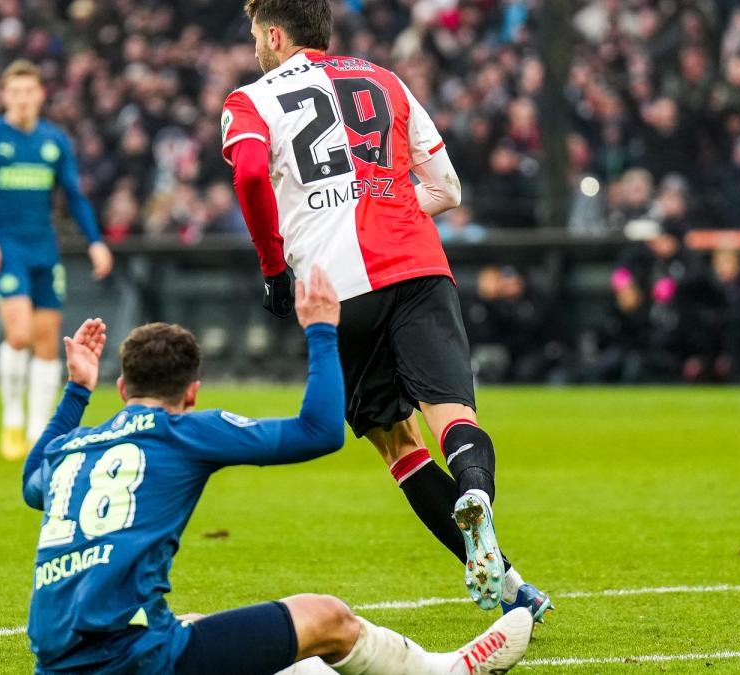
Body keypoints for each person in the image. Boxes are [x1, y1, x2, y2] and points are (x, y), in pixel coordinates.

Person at [22, 266, 534, 674]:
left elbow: (31, 482)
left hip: (58, 661)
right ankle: (441, 671)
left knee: (202, 627)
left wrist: (75, 392)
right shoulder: (184, 430)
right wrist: (321, 334)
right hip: (133, 658)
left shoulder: (73, 447)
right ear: (192, 392)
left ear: (120, 388)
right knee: (326, 616)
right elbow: (320, 432)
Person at [221, 0, 551, 618]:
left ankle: (509, 587)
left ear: (273, 33)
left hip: (337, 287)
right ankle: (477, 498)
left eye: (253, 32)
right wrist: (390, 210)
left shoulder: (250, 100)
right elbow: (448, 188)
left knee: (396, 441)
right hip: (420, 265)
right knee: (451, 413)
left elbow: (247, 175)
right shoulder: (385, 78)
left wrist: (272, 267)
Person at [0, 60, 115, 461]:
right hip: (6, 246)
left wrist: (95, 241)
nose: (23, 99)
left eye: (30, 92)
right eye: (16, 92)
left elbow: (74, 196)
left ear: (40, 95)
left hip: (44, 245)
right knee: (20, 333)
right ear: (5, 95)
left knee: (47, 345)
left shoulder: (54, 140)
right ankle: (12, 418)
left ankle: (37, 434)